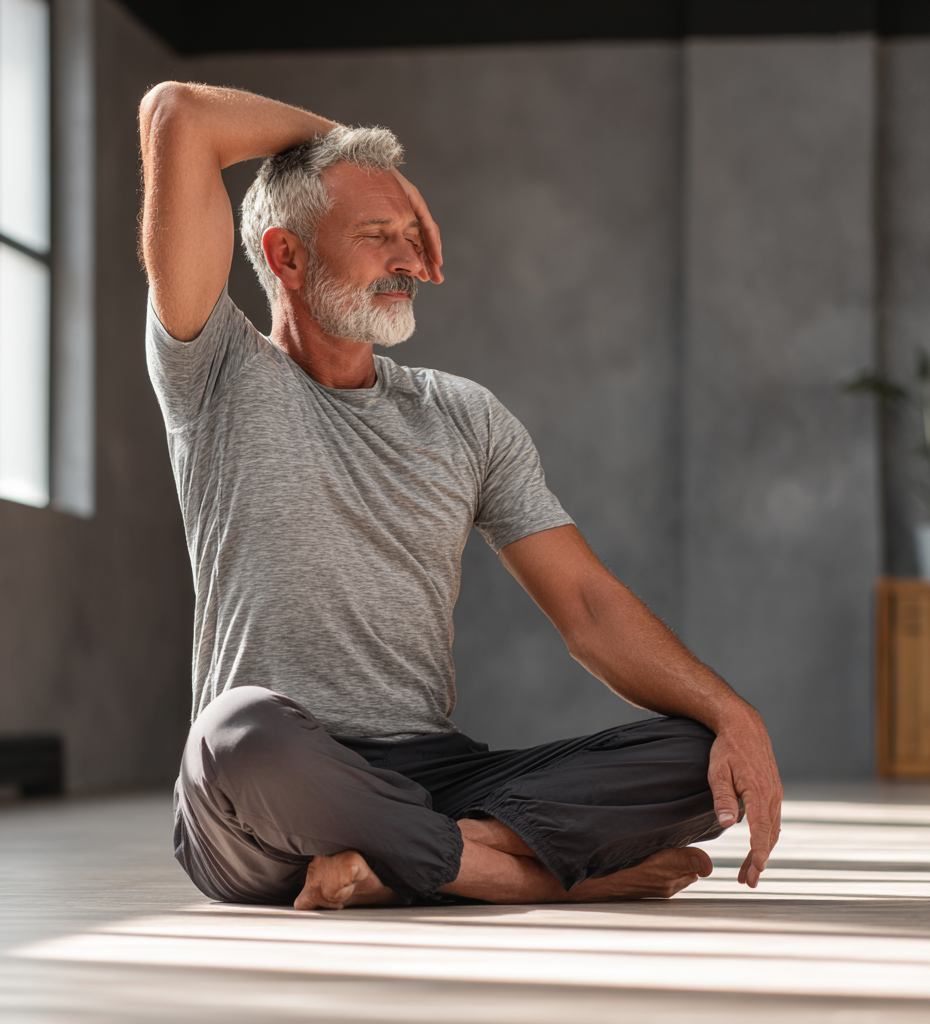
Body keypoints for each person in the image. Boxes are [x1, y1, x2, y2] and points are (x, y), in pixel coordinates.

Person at [138, 82, 783, 911]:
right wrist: (351, 144)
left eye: (414, 233)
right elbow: (176, 115)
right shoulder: (217, 374)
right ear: (288, 256)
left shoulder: (464, 415)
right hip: (269, 796)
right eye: (380, 235)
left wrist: (732, 713)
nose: (410, 259)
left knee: (701, 755)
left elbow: (585, 604)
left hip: (432, 772)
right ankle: (513, 871)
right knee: (233, 735)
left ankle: (395, 862)